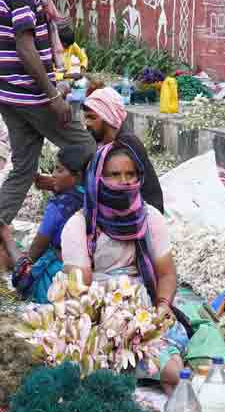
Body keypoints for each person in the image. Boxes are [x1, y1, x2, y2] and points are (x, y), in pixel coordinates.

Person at [0, 0, 96, 255]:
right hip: (30, 95)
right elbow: (25, 47)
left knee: (23, 170)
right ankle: (99, 224)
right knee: (87, 149)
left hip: (9, 94)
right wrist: (52, 95)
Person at [61, 142, 182, 387]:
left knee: (173, 371)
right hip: (98, 312)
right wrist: (113, 323)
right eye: (114, 175)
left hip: (145, 308)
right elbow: (80, 291)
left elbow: (167, 274)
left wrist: (162, 306)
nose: (125, 181)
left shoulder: (150, 218)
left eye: (130, 174)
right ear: (98, 178)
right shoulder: (80, 226)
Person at [0, 142, 93, 302]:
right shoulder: (92, 199)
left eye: (59, 170)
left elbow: (32, 256)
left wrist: (7, 238)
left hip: (58, 282)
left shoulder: (58, 207)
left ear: (77, 176)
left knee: (20, 265)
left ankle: (3, 244)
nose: (53, 174)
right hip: (86, 274)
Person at [71, 86, 165, 212]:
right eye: (86, 118)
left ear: (108, 118)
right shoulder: (100, 142)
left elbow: (123, 192)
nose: (86, 123)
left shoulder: (126, 144)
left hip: (139, 216)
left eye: (92, 118)